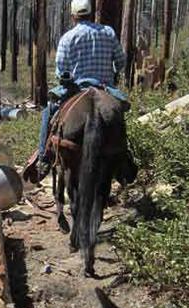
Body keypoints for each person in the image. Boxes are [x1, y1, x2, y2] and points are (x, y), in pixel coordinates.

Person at [35, 0, 128, 179]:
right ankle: (124, 160)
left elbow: (61, 71)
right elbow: (121, 61)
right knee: (119, 114)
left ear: (73, 16)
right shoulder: (108, 33)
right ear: (91, 14)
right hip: (104, 88)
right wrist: (112, 72)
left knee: (48, 113)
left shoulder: (68, 38)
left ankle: (44, 158)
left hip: (77, 89)